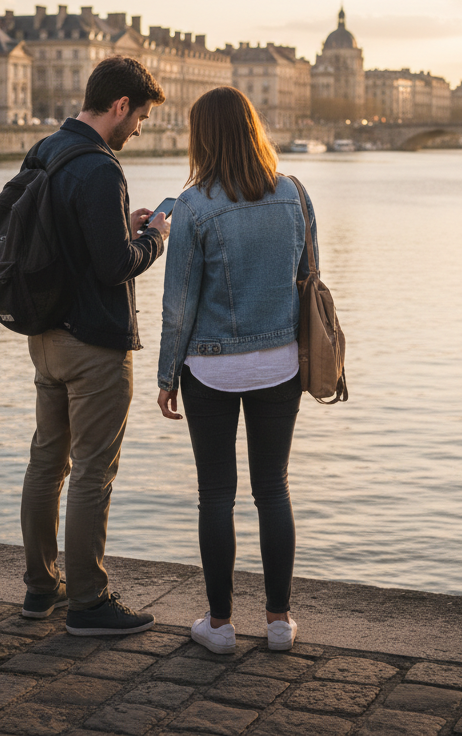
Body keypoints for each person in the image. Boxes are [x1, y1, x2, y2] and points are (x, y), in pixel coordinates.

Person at [156, 87, 316, 654]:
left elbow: (179, 302)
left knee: (215, 494)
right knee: (273, 488)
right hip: (279, 362)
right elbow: (307, 276)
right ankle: (278, 623)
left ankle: (219, 626)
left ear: (203, 137)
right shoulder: (294, 194)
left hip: (211, 366)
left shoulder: (194, 205)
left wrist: (166, 374)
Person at [20, 55, 171, 637]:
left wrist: (120, 225)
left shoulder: (47, 151)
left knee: (45, 462)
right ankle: (89, 601)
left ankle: (41, 588)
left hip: (46, 338)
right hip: (95, 346)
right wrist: (152, 238)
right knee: (91, 472)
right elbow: (114, 267)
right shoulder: (102, 169)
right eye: (140, 118)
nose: (140, 129)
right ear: (119, 107)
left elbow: (67, 239)